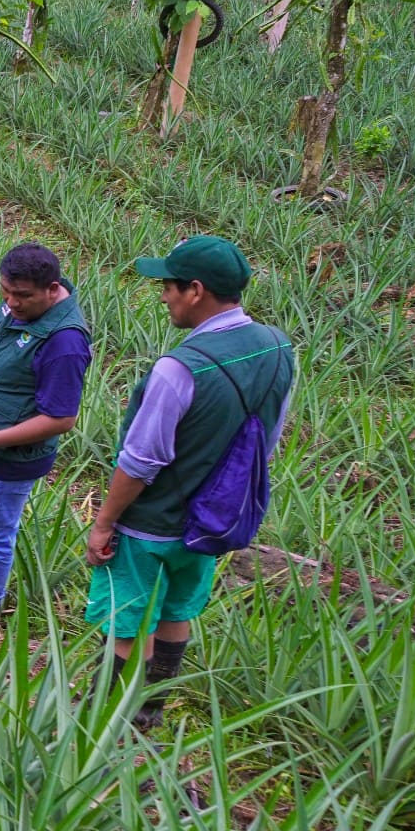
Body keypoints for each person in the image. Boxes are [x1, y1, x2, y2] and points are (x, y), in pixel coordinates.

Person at [85, 235, 294, 724]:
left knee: (128, 619)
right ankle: (150, 711)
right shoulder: (277, 347)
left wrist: (104, 522)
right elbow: (269, 436)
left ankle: (105, 718)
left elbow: (141, 461)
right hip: (213, 519)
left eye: (169, 286)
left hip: (151, 522)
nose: (163, 297)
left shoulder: (179, 369)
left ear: (195, 290)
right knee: (177, 610)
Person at [0, 242, 92, 635]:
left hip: (10, 457)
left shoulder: (65, 344)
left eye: (21, 296)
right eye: (5, 292)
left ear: (52, 289)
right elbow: (4, 334)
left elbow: (61, 418)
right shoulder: (24, 305)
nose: (11, 302)